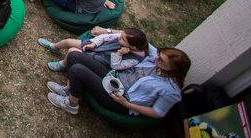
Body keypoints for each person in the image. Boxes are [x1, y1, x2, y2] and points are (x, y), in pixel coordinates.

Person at [47, 46, 190, 119]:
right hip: (113, 77)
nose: (156, 59)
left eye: (161, 60)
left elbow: (158, 113)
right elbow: (139, 38)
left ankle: (71, 104)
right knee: (74, 56)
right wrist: (107, 32)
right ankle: (70, 89)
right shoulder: (155, 59)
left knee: (77, 70)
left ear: (173, 69)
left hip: (119, 98)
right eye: (159, 55)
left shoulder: (170, 91)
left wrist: (126, 104)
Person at [38, 27, 152, 73]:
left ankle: (64, 64)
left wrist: (119, 53)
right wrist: (94, 43)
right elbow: (105, 37)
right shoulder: (122, 37)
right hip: (97, 47)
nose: (119, 37)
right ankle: (54, 47)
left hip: (101, 61)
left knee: (72, 51)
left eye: (122, 39)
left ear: (132, 47)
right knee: (68, 42)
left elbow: (116, 66)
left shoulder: (134, 59)